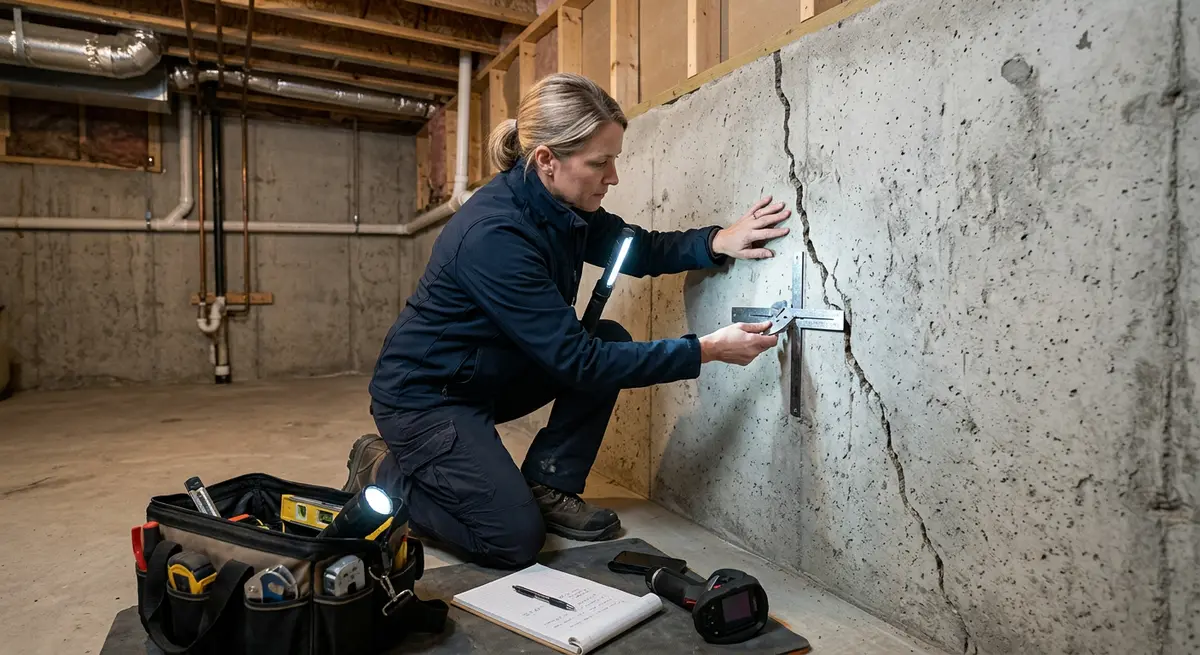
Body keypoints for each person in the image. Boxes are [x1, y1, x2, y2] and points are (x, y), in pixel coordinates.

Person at [343, 73, 790, 569]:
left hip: (488, 374)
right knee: (511, 539)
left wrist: (714, 241)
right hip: (426, 398)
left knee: (610, 338)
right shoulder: (495, 235)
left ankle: (549, 482)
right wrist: (704, 350)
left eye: (613, 159)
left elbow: (633, 248)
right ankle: (381, 469)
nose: (613, 176)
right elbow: (579, 363)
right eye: (600, 163)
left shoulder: (560, 206)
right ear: (546, 160)